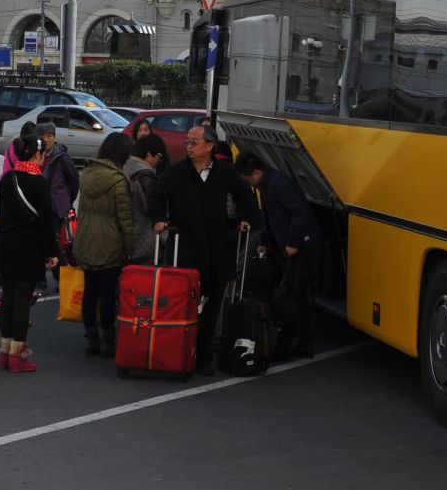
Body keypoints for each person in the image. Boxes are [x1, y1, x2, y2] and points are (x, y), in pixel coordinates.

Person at [147, 123, 254, 375]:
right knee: (183, 304)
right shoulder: (176, 172)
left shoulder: (224, 172)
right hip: (186, 248)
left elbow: (244, 195)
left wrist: (244, 217)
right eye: (187, 142)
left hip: (217, 249)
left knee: (212, 305)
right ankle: (179, 351)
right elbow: (156, 196)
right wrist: (158, 219)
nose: (189, 146)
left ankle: (204, 356)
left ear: (209, 146)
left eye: (193, 142)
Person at [238, 151, 321, 360]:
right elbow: (269, 218)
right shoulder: (267, 185)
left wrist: (293, 243)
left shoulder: (278, 184)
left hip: (300, 248)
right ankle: (288, 343)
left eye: (249, 179)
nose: (251, 184)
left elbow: (299, 212)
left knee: (299, 297)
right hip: (283, 248)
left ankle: (302, 345)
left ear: (257, 172)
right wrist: (265, 243)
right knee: (290, 294)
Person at [0, 131, 58, 372]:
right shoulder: (39, 182)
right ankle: (17, 355)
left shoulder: (6, 179)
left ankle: (4, 351)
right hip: (27, 247)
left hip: (4, 245)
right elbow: (46, 222)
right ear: (37, 154)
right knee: (22, 302)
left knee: (7, 300)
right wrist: (52, 251)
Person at [73, 131, 136, 357]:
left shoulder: (86, 174)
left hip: (86, 237)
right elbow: (125, 219)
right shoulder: (118, 180)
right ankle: (109, 338)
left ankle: (92, 339)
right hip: (110, 242)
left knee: (90, 291)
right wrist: (130, 246)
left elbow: (81, 210)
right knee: (108, 293)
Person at [124, 134, 164, 266]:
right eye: (159, 155)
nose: (160, 160)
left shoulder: (126, 167)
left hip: (127, 233)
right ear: (148, 154)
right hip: (142, 235)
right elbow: (151, 205)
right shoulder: (145, 173)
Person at [39, 124, 81, 237]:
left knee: (54, 239)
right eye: (42, 137)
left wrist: (66, 200)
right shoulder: (34, 155)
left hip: (56, 208)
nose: (46, 140)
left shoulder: (62, 157)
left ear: (54, 137)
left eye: (49, 136)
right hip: (38, 206)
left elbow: (74, 180)